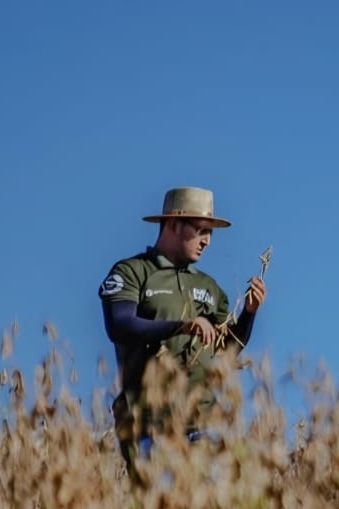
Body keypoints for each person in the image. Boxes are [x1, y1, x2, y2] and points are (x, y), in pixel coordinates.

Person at [99, 186, 266, 482]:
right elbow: (119, 324)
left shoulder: (211, 288)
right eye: (201, 230)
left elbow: (225, 350)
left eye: (211, 233)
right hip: (149, 425)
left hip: (205, 426)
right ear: (174, 225)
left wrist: (249, 313)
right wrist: (182, 325)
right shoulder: (132, 272)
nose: (207, 241)